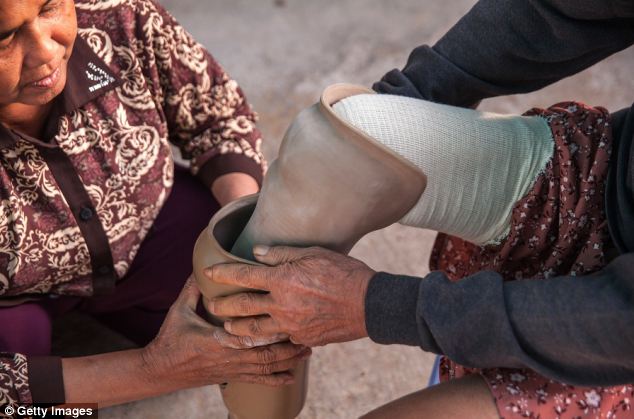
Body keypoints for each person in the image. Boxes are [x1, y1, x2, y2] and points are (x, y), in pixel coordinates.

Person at [205, 0, 634, 417]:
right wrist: (394, 108)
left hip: (618, 345)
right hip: (612, 174)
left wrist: (381, 306)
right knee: (326, 150)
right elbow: (560, 8)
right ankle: (257, 407)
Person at [0, 0, 309, 408]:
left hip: (148, 234)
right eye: (5, 36)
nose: (45, 49)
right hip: (15, 297)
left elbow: (217, 117)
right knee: (28, 407)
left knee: (268, 296)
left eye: (50, 7)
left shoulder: (120, 18)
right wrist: (155, 369)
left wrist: (245, 236)